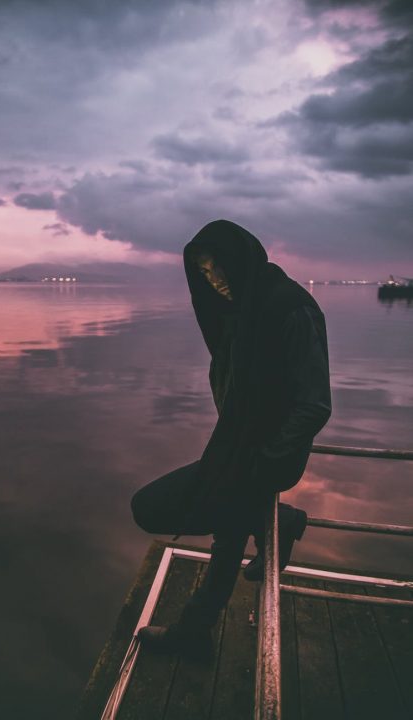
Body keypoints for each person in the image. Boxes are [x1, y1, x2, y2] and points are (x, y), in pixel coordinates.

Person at [130, 219, 332, 661]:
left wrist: (263, 460)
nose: (214, 280)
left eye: (219, 268)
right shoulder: (244, 313)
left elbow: (315, 404)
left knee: (149, 507)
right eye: (204, 273)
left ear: (241, 260)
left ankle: (195, 629)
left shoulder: (288, 308)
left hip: (265, 455)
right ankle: (278, 522)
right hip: (241, 450)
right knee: (228, 527)